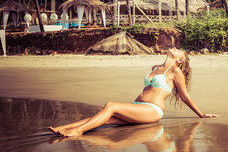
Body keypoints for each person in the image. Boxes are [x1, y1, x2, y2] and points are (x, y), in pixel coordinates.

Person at [49, 47, 218, 137]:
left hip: (152, 110)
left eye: (178, 50)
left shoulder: (175, 71)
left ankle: (78, 131)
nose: (175, 47)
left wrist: (201, 114)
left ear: (179, 60)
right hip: (138, 106)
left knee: (111, 105)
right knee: (107, 119)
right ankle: (63, 128)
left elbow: (184, 96)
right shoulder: (156, 68)